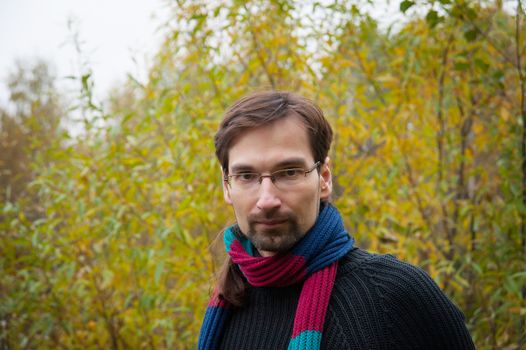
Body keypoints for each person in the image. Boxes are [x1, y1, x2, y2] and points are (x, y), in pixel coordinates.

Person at [198, 91, 475, 350]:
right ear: (226, 186)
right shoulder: (228, 304)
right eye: (246, 176)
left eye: (289, 172)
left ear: (324, 178)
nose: (267, 199)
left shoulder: (393, 296)